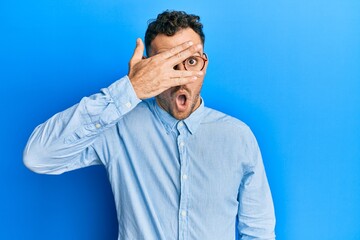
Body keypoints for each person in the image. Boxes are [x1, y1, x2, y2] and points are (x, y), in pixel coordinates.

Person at [23, 10, 276, 240]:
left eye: (190, 61)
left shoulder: (238, 136)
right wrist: (129, 89)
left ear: (204, 64)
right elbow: (37, 157)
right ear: (147, 67)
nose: (180, 76)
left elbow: (259, 231)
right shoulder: (116, 126)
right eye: (166, 64)